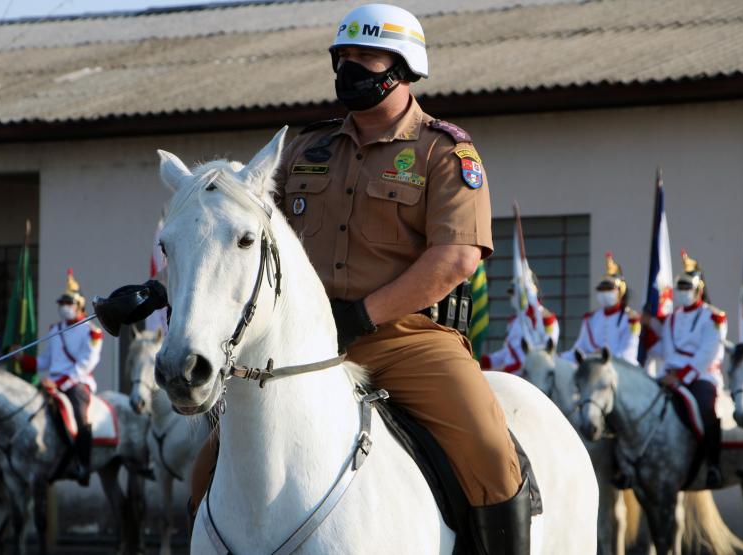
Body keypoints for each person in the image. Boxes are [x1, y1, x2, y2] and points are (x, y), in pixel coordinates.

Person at [190, 4, 529, 552]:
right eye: (342, 57)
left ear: (402, 66)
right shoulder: (305, 148)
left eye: (364, 57)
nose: (349, 69)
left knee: (491, 453)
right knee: (204, 472)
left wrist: (361, 315)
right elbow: (242, 239)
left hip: (409, 341)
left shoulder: (444, 152)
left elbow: (457, 257)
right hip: (302, 347)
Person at [657, 251, 726, 488]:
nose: (683, 292)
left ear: (698, 289)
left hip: (702, 374)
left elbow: (708, 351)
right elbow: (668, 350)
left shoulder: (714, 317)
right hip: (671, 375)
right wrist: (669, 374)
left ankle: (714, 465)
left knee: (706, 409)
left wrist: (683, 375)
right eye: (680, 287)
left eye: (688, 287)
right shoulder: (673, 318)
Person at [37, 269, 103, 486]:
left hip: (77, 382)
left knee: (80, 417)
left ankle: (84, 464)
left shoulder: (91, 332)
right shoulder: (54, 329)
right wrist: (22, 360)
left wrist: (60, 383)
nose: (64, 307)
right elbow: (46, 360)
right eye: (62, 302)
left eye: (68, 302)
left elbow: (86, 364)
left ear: (79, 305)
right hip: (51, 383)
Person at [562, 252, 640, 365]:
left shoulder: (631, 319)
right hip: (593, 368)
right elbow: (579, 349)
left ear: (620, 290)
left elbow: (628, 354)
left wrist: (602, 359)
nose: (604, 293)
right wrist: (558, 357)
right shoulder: (590, 319)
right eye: (601, 289)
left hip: (622, 371)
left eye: (609, 289)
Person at [480, 273, 559, 375]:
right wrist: (486, 361)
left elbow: (545, 352)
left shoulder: (546, 319)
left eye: (515, 293)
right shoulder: (515, 321)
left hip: (530, 376)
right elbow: (507, 353)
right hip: (510, 374)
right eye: (512, 293)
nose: (512, 297)